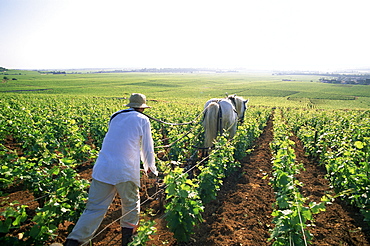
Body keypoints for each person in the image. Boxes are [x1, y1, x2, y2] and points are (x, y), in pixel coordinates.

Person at [64, 93, 158, 246]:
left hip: (103, 167)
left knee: (94, 209)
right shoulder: (143, 119)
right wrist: (150, 169)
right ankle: (127, 241)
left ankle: (74, 242)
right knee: (130, 206)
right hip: (125, 171)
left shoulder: (115, 116)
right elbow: (147, 148)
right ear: (142, 108)